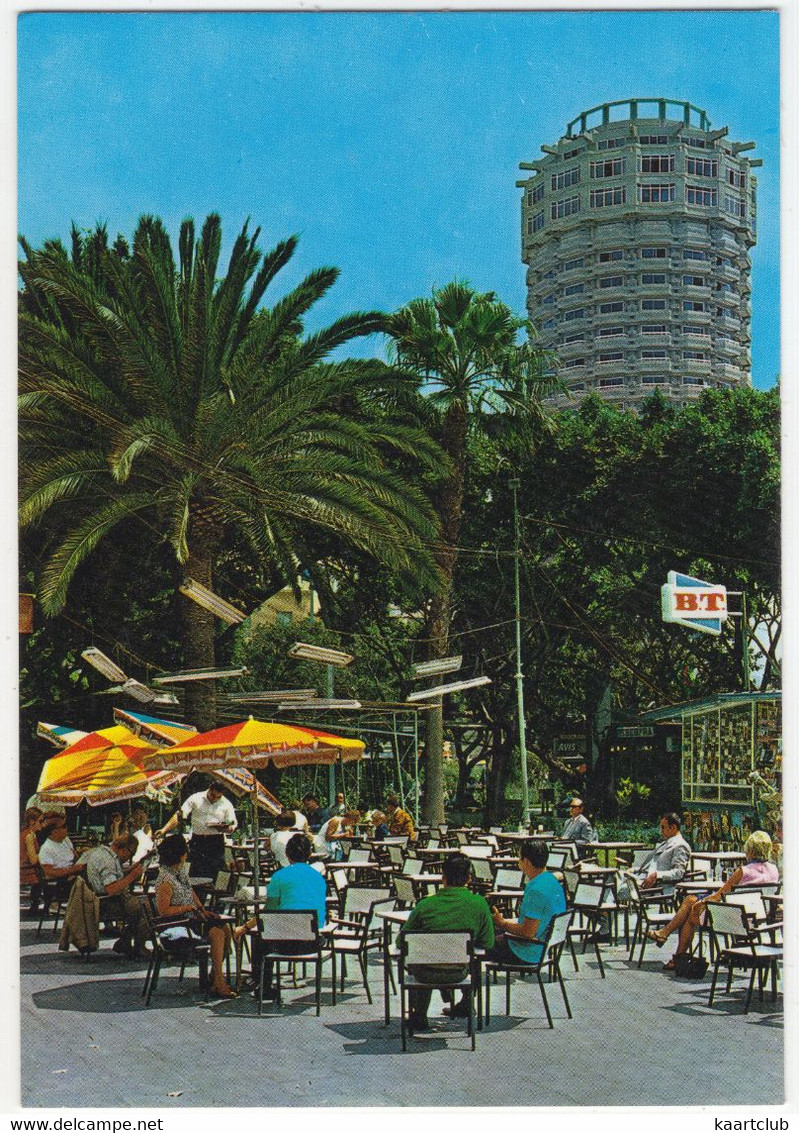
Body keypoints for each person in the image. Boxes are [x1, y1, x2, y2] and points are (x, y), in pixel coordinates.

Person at [648, 830, 780, 970]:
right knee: (691, 901)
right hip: (758, 919)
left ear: (751, 850)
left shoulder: (743, 871)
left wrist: (702, 902)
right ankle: (667, 941)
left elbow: (719, 895)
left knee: (691, 912)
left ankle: (675, 953)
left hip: (733, 920)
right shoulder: (774, 869)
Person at [399, 853, 494, 1033]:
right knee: (472, 954)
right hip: (459, 972)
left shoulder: (425, 905)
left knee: (420, 957)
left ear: (443, 878)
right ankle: (467, 1001)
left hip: (424, 975)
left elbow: (401, 941)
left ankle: (419, 1015)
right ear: (469, 878)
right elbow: (487, 943)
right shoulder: (479, 904)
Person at [155, 833, 253, 999]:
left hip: (191, 918)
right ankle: (219, 982)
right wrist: (189, 908)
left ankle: (215, 976)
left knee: (226, 928)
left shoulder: (179, 872)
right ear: (179, 855)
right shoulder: (165, 878)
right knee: (217, 933)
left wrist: (202, 909)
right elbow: (163, 911)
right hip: (177, 924)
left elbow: (190, 892)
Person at [257, 833, 328, 1000]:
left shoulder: (279, 876)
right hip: (312, 943)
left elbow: (269, 911)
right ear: (309, 855)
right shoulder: (319, 877)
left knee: (259, 938)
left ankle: (263, 986)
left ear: (287, 855)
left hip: (284, 944)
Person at [489, 839, 567, 967]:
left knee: (478, 940)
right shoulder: (551, 881)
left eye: (520, 858)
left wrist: (502, 923)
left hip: (526, 952)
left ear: (526, 861)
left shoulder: (537, 890)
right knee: (492, 929)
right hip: (543, 946)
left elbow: (528, 932)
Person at [84, 833, 149, 958]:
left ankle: (125, 941)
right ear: (125, 849)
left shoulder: (104, 853)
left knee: (143, 904)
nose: (130, 857)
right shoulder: (107, 861)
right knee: (148, 908)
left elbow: (114, 875)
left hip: (104, 899)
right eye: (132, 854)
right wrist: (132, 876)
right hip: (107, 902)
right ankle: (138, 946)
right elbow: (111, 889)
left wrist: (133, 867)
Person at [156, 781, 237, 879]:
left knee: (216, 874)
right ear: (209, 789)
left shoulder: (226, 804)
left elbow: (232, 825)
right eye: (212, 795)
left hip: (216, 842)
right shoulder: (195, 798)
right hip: (198, 841)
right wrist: (164, 830)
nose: (214, 799)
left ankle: (215, 893)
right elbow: (179, 816)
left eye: (218, 797)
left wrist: (225, 828)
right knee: (195, 874)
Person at [619, 812, 692, 900]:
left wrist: (658, 875)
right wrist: (634, 869)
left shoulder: (680, 845)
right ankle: (606, 911)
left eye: (663, 827)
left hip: (656, 888)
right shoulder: (665, 843)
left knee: (616, 889)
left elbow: (678, 872)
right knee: (614, 875)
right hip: (643, 879)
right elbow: (653, 865)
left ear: (673, 827)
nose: (661, 831)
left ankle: (606, 910)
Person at [38, 818, 84, 889]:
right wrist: (72, 871)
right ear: (54, 831)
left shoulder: (66, 840)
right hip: (58, 883)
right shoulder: (46, 849)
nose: (67, 828)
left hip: (73, 876)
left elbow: (76, 858)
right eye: (64, 826)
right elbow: (49, 873)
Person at [20, 808, 44, 911]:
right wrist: (44, 853)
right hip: (26, 871)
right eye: (41, 821)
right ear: (32, 822)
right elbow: (33, 860)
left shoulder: (26, 833)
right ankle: (38, 907)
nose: (43, 824)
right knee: (48, 878)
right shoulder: (29, 836)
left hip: (25, 868)